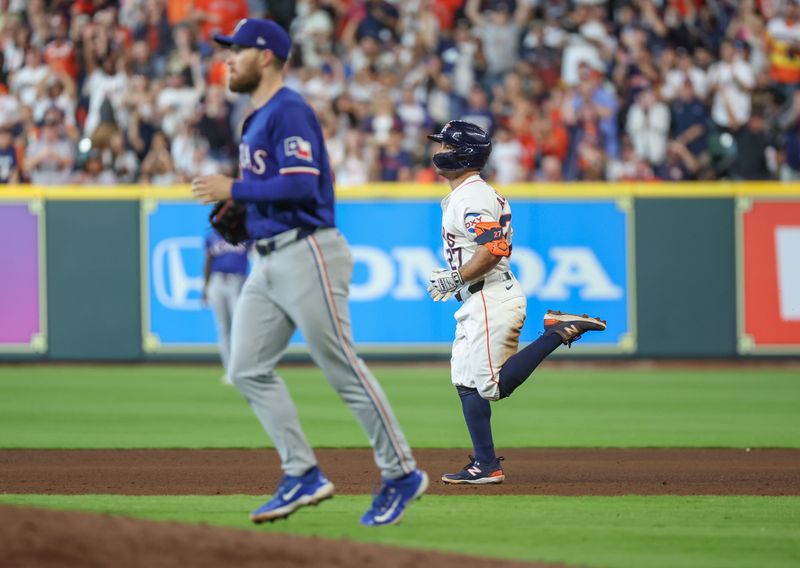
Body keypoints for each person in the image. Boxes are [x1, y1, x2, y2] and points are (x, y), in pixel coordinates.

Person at [190, 18, 427, 526]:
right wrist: (246, 216)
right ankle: (302, 473)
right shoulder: (253, 118)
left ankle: (401, 474)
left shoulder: (288, 109)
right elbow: (270, 191)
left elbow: (300, 184)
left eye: (237, 51)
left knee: (342, 367)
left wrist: (235, 190)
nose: (227, 59)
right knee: (246, 368)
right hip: (269, 257)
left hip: (308, 250)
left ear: (268, 56)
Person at [426, 120, 606, 485]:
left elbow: (496, 247)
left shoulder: (471, 196)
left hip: (490, 295)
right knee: (464, 378)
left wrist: (459, 276)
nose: (439, 152)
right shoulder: (469, 192)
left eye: (446, 146)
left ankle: (556, 332)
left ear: (463, 154)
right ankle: (485, 463)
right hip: (480, 297)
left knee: (491, 386)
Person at [203, 228, 248, 385]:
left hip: (237, 282)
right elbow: (208, 260)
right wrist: (205, 288)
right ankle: (230, 371)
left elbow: (256, 257)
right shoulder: (213, 236)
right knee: (223, 329)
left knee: (240, 328)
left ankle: (243, 370)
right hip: (217, 281)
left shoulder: (245, 234)